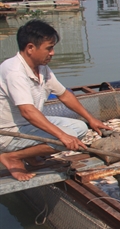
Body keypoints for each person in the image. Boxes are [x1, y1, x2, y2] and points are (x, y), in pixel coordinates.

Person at [0, 20, 111, 181]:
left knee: (80, 127)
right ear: (30, 48)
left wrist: (91, 119)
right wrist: (62, 136)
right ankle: (12, 157)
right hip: (8, 132)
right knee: (65, 138)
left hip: (27, 125)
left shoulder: (41, 67)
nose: (52, 53)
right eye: (49, 48)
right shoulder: (14, 71)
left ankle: (31, 156)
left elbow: (64, 95)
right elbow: (27, 112)